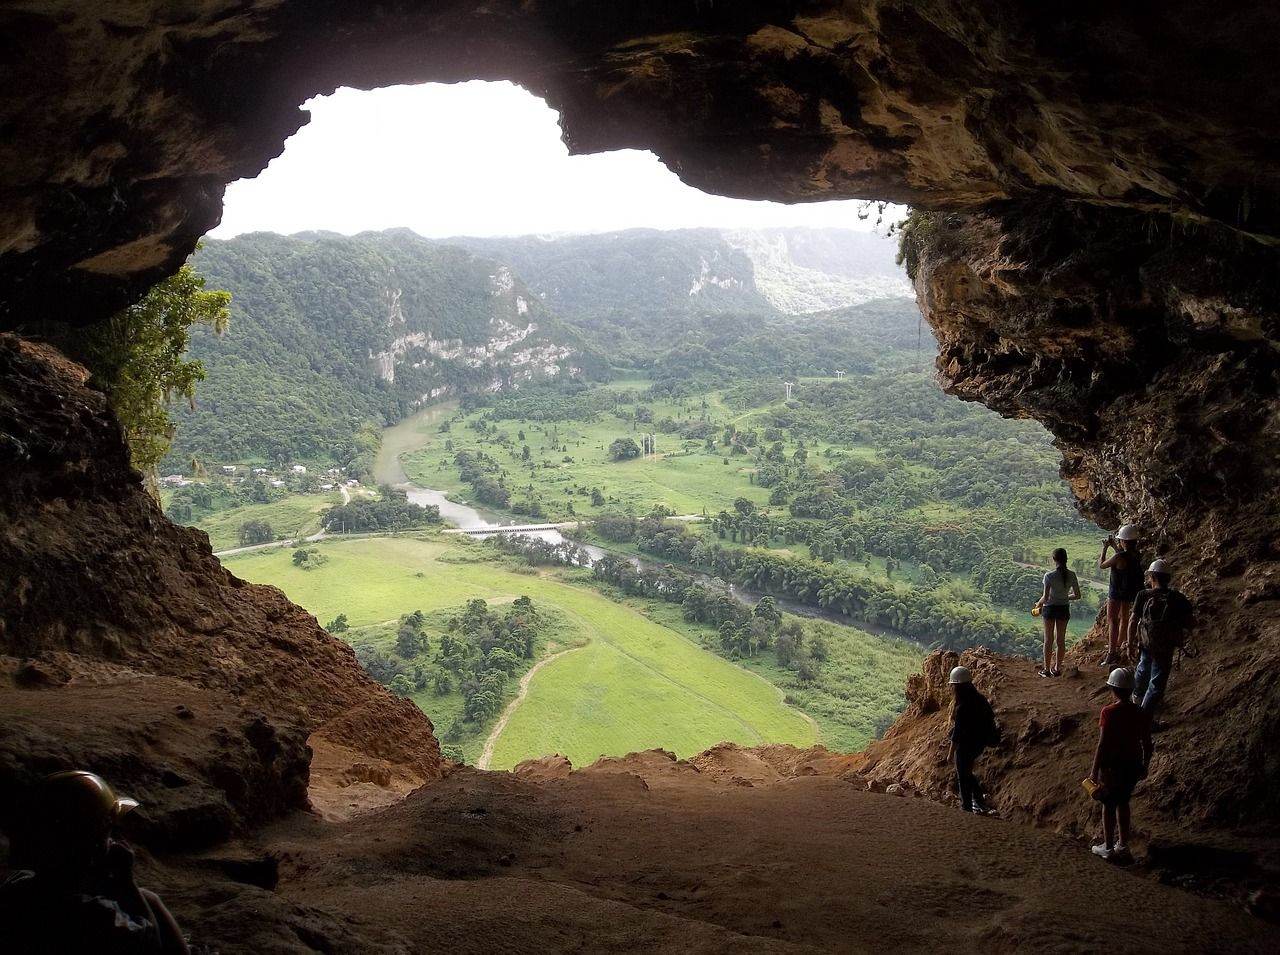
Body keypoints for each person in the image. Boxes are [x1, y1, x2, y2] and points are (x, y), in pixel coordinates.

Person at [0, 770, 189, 953]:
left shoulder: (17, 885)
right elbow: (151, 942)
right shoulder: (96, 915)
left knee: (146, 897)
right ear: (92, 845)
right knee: (149, 899)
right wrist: (127, 881)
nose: (115, 840)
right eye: (108, 833)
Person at [1089, 668, 1153, 863]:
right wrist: (1145, 765)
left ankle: (1108, 847)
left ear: (1112, 689)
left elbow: (1103, 744)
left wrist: (1094, 771)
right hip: (1132, 765)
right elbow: (1147, 743)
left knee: (1108, 805)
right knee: (1123, 802)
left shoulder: (1108, 712)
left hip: (1112, 768)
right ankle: (1123, 845)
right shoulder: (1139, 712)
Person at [1127, 558, 1195, 716]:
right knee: (1156, 683)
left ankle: (1134, 707)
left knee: (1142, 671)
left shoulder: (1143, 595)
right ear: (1168, 578)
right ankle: (1144, 719)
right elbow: (1191, 623)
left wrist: (1130, 644)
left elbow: (1132, 621)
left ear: (1152, 577)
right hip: (1165, 646)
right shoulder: (1177, 598)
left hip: (1146, 643)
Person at [948, 666, 1000, 815]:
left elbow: (957, 733)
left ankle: (967, 807)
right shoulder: (980, 699)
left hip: (966, 745)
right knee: (967, 773)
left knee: (963, 776)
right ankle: (979, 802)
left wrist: (950, 753)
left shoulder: (962, 707)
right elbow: (990, 718)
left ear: (957, 686)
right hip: (980, 742)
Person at [1099, 524, 1143, 667]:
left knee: (1112, 620)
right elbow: (1124, 558)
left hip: (1116, 592)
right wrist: (1114, 547)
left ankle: (1112, 653)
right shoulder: (1136, 555)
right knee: (1124, 618)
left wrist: (1105, 547)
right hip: (1129, 592)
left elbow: (1102, 565)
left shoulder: (1118, 557)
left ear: (1123, 541)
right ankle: (1120, 644)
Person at [1034, 547, 1081, 677]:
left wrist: (1038, 603)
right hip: (1063, 609)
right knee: (1061, 640)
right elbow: (1077, 595)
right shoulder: (1072, 575)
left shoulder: (1049, 576)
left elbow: (1046, 597)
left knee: (1048, 639)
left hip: (1049, 609)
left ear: (1054, 559)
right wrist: (1065, 597)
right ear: (1066, 559)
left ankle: (1046, 669)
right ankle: (1057, 668)